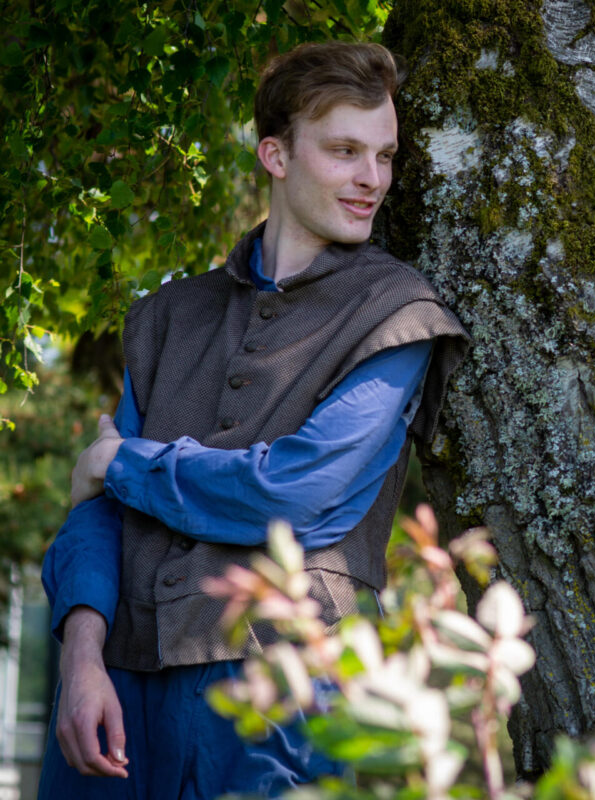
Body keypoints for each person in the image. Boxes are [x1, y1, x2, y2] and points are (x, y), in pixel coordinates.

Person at [39, 41, 469, 799]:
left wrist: (124, 464)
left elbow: (293, 493)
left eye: (385, 156)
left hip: (282, 693)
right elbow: (92, 516)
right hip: (112, 698)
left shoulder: (398, 317)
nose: (372, 180)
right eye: (344, 151)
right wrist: (80, 656)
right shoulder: (170, 316)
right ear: (275, 154)